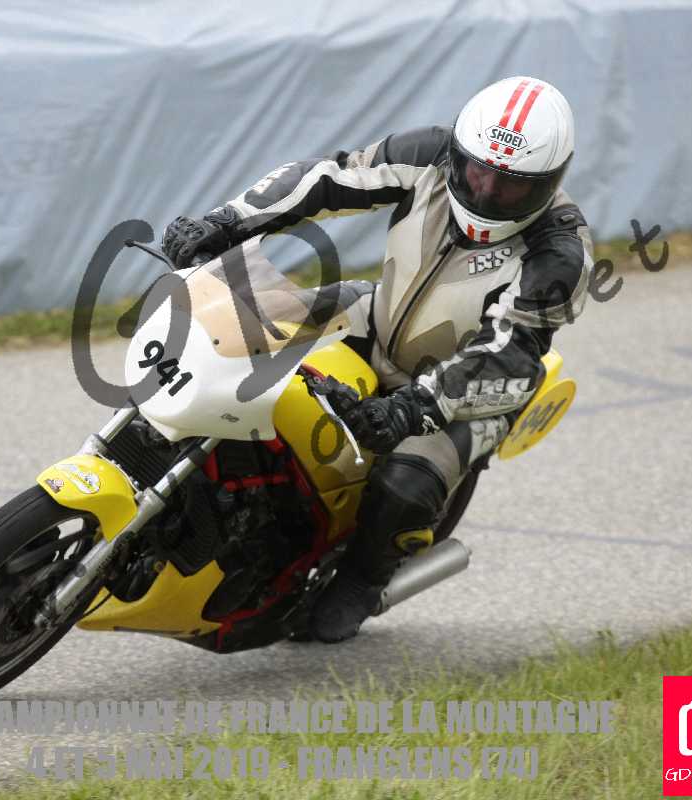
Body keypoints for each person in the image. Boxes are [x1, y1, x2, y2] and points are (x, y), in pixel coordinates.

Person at [161, 76, 594, 643]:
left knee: (403, 483)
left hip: (475, 390)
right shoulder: (431, 153)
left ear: (548, 183)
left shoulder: (560, 252)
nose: (486, 190)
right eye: (476, 170)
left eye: (509, 185)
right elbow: (325, 178)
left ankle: (363, 579)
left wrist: (415, 407)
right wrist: (225, 221)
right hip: (378, 322)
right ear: (460, 150)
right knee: (245, 353)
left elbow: (510, 355)